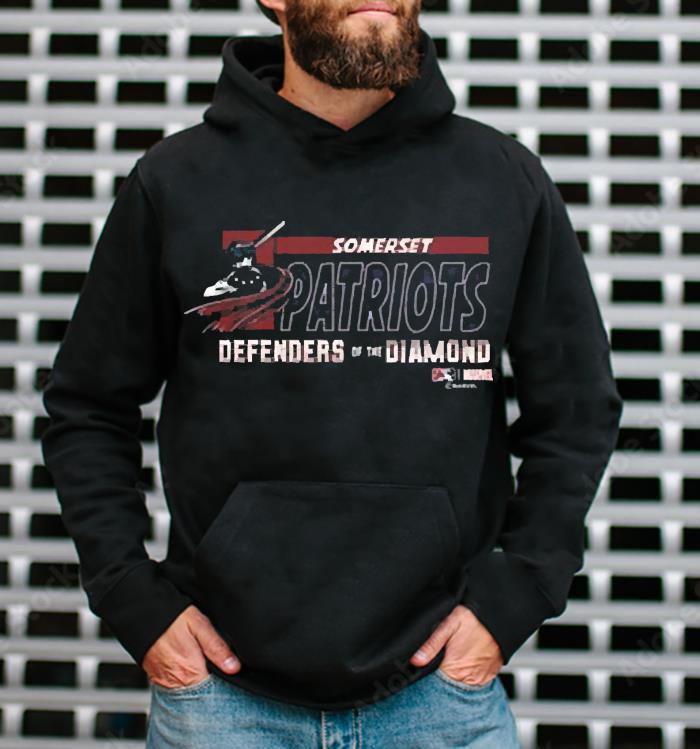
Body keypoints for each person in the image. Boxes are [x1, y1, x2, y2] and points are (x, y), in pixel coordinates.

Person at [39, 0, 624, 745]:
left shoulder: (502, 179)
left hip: (439, 696)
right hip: (221, 701)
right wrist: (134, 600)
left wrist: (519, 593)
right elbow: (89, 407)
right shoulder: (177, 180)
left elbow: (576, 410)